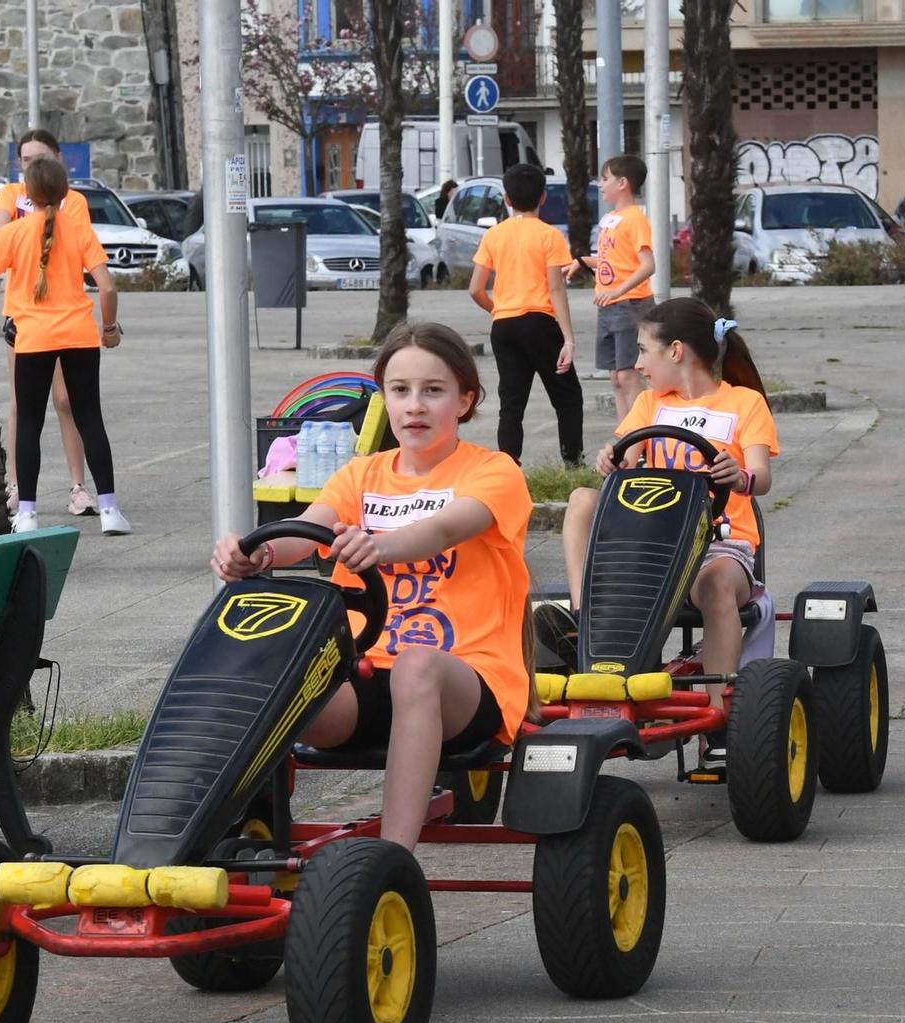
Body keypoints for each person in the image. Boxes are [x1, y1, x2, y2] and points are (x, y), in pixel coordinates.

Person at [210, 322, 531, 853]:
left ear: (465, 399)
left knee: (418, 664)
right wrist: (254, 553)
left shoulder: (494, 471)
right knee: (260, 667)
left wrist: (380, 546)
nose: (415, 406)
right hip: (363, 674)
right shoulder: (361, 474)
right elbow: (303, 534)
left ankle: (392, 860)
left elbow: (450, 527)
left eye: (433, 390)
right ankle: (235, 838)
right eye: (400, 391)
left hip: (465, 678)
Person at [543, 298, 777, 775]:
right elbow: (624, 461)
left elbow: (761, 476)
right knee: (585, 499)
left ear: (675, 352)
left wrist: (740, 477)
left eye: (643, 351)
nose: (636, 364)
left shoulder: (743, 403)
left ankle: (718, 718)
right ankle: (583, 613)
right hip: (651, 540)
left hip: (720, 541)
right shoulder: (650, 405)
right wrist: (610, 459)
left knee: (713, 585)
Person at [0, 155, 130, 535]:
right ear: (66, 193)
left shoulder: (13, 233)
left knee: (28, 422)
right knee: (89, 419)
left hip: (32, 338)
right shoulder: (79, 229)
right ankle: (110, 509)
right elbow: (107, 286)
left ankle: (27, 513)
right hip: (79, 335)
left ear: (26, 194)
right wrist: (109, 328)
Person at [0, 129, 96, 518]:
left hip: (66, 316)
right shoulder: (10, 196)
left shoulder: (75, 201)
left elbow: (76, 243)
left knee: (67, 401)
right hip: (23, 314)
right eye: (26, 159)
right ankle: (17, 485)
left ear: (57, 159)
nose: (32, 165)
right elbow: (1, 234)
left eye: (40, 158)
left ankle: (77, 486)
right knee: (22, 404)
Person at [469, 162, 581, 464]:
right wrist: (568, 339)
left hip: (503, 326)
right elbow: (556, 289)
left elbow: (475, 289)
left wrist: (499, 309)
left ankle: (508, 464)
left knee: (512, 402)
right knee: (567, 396)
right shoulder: (550, 236)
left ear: (506, 199)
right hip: (540, 323)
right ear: (543, 197)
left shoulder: (493, 235)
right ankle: (572, 462)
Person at [574, 153, 656, 427]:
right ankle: (625, 438)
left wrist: (618, 291)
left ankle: (640, 437)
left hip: (630, 305)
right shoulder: (611, 218)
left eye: (605, 178)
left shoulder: (635, 218)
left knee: (628, 375)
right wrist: (583, 262)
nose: (600, 184)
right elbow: (614, 260)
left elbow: (647, 265)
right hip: (608, 306)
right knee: (615, 377)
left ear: (623, 183)